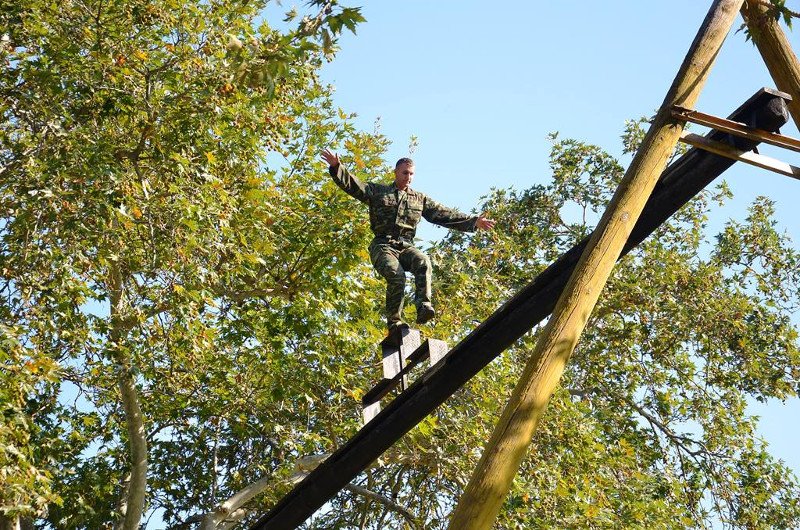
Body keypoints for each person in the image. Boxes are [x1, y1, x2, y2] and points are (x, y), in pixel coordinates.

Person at [321, 149, 496, 330]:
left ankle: (423, 307)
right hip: (383, 246)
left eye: (412, 174)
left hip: (405, 246)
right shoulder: (378, 191)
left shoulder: (419, 199)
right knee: (396, 275)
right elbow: (354, 185)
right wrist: (337, 167)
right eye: (405, 173)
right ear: (395, 172)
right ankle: (395, 322)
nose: (408, 177)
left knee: (423, 261)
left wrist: (474, 222)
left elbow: (444, 215)